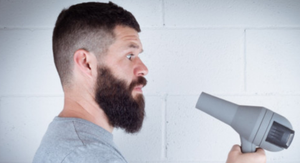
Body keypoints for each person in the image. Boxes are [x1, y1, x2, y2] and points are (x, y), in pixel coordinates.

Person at [33, 2, 266, 163]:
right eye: (130, 55)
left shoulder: (72, 142)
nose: (143, 68)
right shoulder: (89, 155)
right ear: (86, 63)